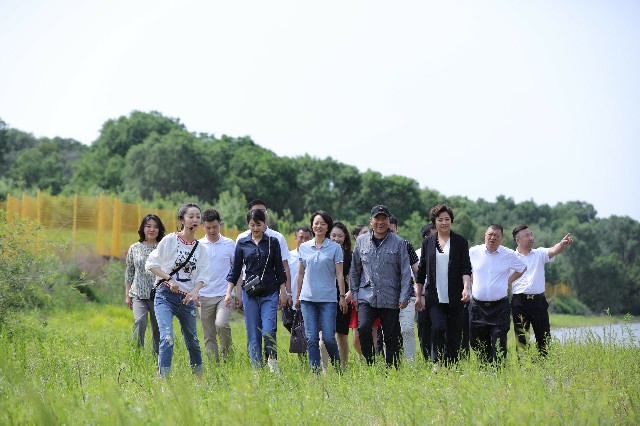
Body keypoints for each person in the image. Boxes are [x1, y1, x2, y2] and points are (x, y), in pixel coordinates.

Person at [146, 203, 210, 377]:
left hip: (187, 300)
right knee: (167, 338)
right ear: (182, 220)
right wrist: (169, 279)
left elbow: (204, 275)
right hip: (165, 296)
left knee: (193, 341)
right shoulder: (170, 240)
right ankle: (163, 379)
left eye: (198, 217)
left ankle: (199, 378)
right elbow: (151, 265)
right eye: (191, 216)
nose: (195, 220)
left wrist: (195, 291)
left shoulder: (200, 248)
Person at [225, 208, 288, 372]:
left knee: (268, 330)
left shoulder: (273, 242)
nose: (255, 228)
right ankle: (256, 370)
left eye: (258, 225)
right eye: (252, 225)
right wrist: (229, 292)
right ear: (248, 225)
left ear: (265, 223)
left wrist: (283, 291)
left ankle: (272, 363)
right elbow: (235, 270)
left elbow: (279, 269)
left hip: (270, 292)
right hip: (250, 294)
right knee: (253, 332)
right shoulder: (242, 243)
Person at [350, 205, 412, 368]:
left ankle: (392, 369)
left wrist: (404, 295)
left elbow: (406, 272)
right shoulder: (361, 241)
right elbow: (355, 270)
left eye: (384, 218)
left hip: (391, 297)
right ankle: (371, 363)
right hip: (366, 295)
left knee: (391, 335)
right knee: (363, 328)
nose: (381, 222)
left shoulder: (399, 243)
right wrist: (354, 293)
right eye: (377, 218)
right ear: (371, 221)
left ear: (389, 221)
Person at [415, 204, 472, 367]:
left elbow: (465, 268)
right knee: (438, 328)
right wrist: (418, 296)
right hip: (434, 296)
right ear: (435, 222)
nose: (444, 223)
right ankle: (437, 362)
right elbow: (421, 271)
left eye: (447, 219)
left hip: (455, 295)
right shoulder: (428, 242)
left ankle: (452, 364)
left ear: (451, 221)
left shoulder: (460, 242)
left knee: (454, 332)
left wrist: (466, 288)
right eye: (440, 220)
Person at [295, 210, 348, 372]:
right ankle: (315, 372)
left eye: (322, 224)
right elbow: (300, 273)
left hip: (328, 299)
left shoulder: (335, 248)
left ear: (327, 227)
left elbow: (339, 274)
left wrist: (342, 296)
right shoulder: (304, 247)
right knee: (311, 339)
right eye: (316, 223)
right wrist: (297, 296)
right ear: (312, 225)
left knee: (329, 338)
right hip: (308, 299)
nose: (319, 226)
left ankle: (338, 368)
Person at [511, 225, 573, 357]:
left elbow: (554, 250)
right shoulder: (511, 257)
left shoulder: (539, 253)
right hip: (519, 303)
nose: (531, 238)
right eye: (527, 235)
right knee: (522, 339)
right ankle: (523, 367)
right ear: (518, 240)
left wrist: (562, 243)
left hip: (538, 301)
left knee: (544, 337)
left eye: (531, 234)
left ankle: (544, 366)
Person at [468, 225, 526, 364]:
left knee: (499, 340)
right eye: (490, 235)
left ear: (501, 239)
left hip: (499, 307)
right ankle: (485, 367)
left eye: (496, 236)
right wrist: (472, 281)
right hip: (477, 306)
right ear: (485, 236)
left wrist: (508, 281)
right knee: (476, 341)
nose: (492, 238)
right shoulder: (473, 252)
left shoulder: (508, 254)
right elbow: (465, 270)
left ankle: (499, 370)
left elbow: (522, 268)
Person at [236, 199, 292, 308]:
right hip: (249, 286)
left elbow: (284, 267)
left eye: (263, 211)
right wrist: (238, 293)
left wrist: (287, 292)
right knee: (252, 318)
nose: (260, 214)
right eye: (257, 211)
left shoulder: (277, 238)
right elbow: (237, 268)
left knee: (268, 318)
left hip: (271, 286)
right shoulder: (242, 238)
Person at [198, 209, 236, 363]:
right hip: (203, 296)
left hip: (224, 295)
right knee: (209, 335)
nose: (212, 231)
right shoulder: (199, 246)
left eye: (215, 227)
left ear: (220, 225)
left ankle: (228, 357)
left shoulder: (229, 244)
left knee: (221, 324)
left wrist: (236, 293)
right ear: (203, 227)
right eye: (208, 228)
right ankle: (215, 366)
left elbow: (236, 270)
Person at [125, 214, 166, 354]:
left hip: (159, 295)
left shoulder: (163, 248)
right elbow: (129, 272)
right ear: (143, 228)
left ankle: (157, 359)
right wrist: (128, 295)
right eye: (148, 226)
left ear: (159, 230)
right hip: (138, 295)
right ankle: (136, 356)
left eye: (155, 227)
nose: (152, 229)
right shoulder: (134, 248)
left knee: (158, 329)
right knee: (140, 323)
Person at [320, 221, 352, 368]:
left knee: (342, 335)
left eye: (340, 236)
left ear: (345, 237)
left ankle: (343, 368)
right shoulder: (321, 252)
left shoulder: (349, 255)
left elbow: (351, 277)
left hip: (343, 297)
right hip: (324, 295)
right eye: (333, 235)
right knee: (323, 335)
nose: (336, 239)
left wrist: (349, 292)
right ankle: (324, 369)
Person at [389, 215, 420, 362]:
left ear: (397, 229)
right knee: (388, 332)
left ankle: (410, 364)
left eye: (392, 231)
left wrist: (420, 292)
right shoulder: (376, 245)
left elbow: (417, 270)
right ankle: (391, 363)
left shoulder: (406, 245)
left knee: (407, 329)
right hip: (386, 296)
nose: (389, 234)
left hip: (407, 294)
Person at [348, 224, 379, 358]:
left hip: (373, 295)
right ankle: (363, 356)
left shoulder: (374, 250)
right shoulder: (351, 254)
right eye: (364, 232)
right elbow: (351, 274)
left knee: (373, 331)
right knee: (357, 335)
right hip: (357, 296)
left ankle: (372, 358)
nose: (368, 235)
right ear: (356, 236)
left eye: (368, 232)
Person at [416, 223, 436, 361]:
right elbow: (415, 277)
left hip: (441, 297)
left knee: (439, 328)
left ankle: (439, 358)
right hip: (423, 297)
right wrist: (421, 295)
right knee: (424, 330)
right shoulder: (417, 254)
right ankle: (427, 359)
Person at [289, 226, 313, 310]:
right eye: (301, 237)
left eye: (307, 238)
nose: (304, 241)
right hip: (291, 300)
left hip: (310, 301)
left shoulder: (314, 257)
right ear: (296, 238)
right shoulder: (288, 256)